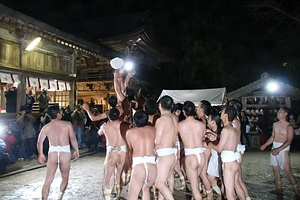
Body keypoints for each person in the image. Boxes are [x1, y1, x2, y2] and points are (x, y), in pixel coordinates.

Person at [37, 105, 79, 200]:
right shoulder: (67, 124)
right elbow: (73, 138)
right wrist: (76, 150)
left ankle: (44, 198)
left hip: (53, 151)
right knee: (65, 177)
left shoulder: (46, 127)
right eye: (60, 111)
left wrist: (41, 154)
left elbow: (40, 141)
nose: (62, 113)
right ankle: (59, 197)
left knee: (48, 180)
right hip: (64, 151)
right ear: (58, 114)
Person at [260, 107, 300, 196]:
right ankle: (279, 188)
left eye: (280, 112)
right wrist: (265, 144)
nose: (278, 113)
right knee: (275, 169)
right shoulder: (275, 124)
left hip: (283, 149)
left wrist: (278, 149)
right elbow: (273, 137)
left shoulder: (289, 126)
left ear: (285, 114)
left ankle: (297, 190)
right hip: (275, 146)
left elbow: (289, 140)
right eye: (278, 111)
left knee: (287, 171)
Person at [208, 106, 244, 200]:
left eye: (222, 112)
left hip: (229, 164)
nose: (220, 113)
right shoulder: (232, 128)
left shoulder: (225, 129)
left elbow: (219, 149)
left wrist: (209, 144)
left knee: (229, 194)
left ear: (226, 115)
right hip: (234, 161)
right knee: (237, 187)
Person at [178, 101, 207, 200]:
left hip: (191, 157)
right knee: (196, 183)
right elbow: (203, 138)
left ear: (184, 112)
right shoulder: (201, 124)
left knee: (195, 188)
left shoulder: (180, 125)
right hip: (201, 155)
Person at [126, 110, 157, 200]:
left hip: (139, 165)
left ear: (134, 121)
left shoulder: (130, 133)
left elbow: (129, 150)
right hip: (152, 166)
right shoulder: (154, 130)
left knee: (132, 196)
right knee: (145, 188)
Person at [98, 108, 126, 199]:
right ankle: (118, 195)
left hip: (111, 151)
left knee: (107, 179)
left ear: (108, 116)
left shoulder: (105, 126)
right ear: (118, 116)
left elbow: (99, 133)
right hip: (123, 151)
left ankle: (107, 197)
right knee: (118, 175)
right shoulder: (124, 125)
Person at [155, 95, 178, 200]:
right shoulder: (174, 117)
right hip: (172, 153)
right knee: (164, 183)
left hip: (164, 155)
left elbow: (157, 140)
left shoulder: (161, 120)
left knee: (159, 183)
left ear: (160, 105)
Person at [196, 100, 212, 197]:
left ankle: (209, 194)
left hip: (204, 148)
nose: (196, 108)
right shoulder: (204, 120)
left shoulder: (202, 121)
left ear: (202, 109)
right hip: (205, 149)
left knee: (202, 174)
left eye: (198, 106)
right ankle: (205, 191)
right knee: (202, 173)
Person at [206, 111, 222, 198]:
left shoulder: (221, 130)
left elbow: (221, 139)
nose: (207, 120)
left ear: (213, 122)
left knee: (224, 179)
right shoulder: (209, 131)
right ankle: (219, 193)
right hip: (213, 157)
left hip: (220, 158)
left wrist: (212, 134)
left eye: (208, 119)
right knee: (210, 178)